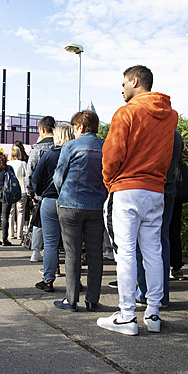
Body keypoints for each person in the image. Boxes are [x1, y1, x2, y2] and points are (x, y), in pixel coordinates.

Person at [97, 65, 178, 335]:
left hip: (127, 188)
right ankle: (153, 313)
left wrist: (110, 181)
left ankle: (127, 314)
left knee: (126, 253)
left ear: (135, 81)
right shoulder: (170, 116)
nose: (121, 89)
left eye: (123, 84)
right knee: (153, 251)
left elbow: (111, 154)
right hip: (155, 189)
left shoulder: (127, 112)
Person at [52, 113, 106, 311]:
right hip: (97, 206)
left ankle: (71, 299)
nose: (74, 131)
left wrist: (63, 193)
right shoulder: (105, 147)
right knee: (95, 254)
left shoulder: (70, 146)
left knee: (72, 253)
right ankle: (92, 300)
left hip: (71, 205)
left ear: (81, 127)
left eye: (75, 127)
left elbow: (59, 177)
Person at [134, 130, 184, 307]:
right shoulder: (175, 135)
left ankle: (145, 292)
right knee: (162, 241)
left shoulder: (149, 130)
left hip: (148, 187)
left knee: (142, 243)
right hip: (169, 188)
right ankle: (162, 295)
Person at [32, 124, 74, 293]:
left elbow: (36, 178)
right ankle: (74, 280)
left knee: (50, 243)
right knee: (72, 244)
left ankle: (48, 279)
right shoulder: (75, 153)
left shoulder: (49, 154)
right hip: (70, 201)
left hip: (50, 200)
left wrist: (40, 192)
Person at [25, 116, 56, 262]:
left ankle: (36, 251)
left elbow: (29, 173)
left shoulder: (37, 149)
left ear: (41, 129)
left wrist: (31, 193)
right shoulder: (61, 147)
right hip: (59, 192)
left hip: (40, 192)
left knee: (38, 222)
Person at [8, 145, 28, 241]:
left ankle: (11, 233)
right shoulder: (23, 163)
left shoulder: (8, 164)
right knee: (21, 212)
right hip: (22, 190)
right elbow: (27, 176)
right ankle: (20, 234)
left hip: (10, 191)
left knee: (10, 212)